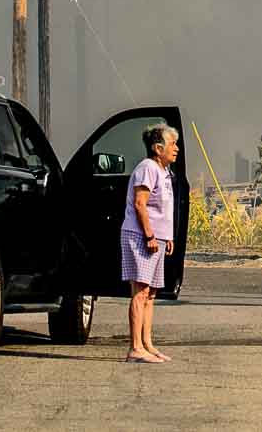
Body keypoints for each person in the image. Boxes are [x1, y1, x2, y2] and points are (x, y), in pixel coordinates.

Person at [122, 123, 179, 363]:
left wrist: (168, 237)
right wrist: (149, 236)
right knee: (141, 291)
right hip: (141, 236)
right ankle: (135, 348)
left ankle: (147, 344)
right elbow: (140, 204)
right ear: (158, 148)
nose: (176, 149)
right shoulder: (147, 168)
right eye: (172, 144)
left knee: (152, 293)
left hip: (159, 238)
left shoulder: (164, 171)